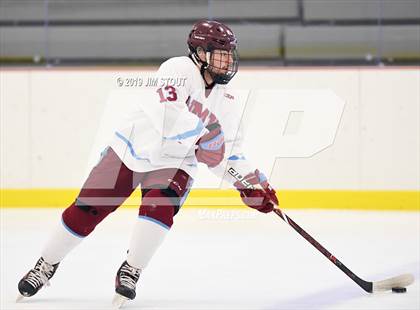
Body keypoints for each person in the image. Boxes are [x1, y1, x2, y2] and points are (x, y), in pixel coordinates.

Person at [17, 20, 279, 307]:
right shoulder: (177, 70)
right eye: (221, 52)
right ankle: (45, 264)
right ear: (201, 53)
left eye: (230, 53)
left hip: (175, 163)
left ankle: (131, 269)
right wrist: (206, 141)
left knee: (160, 208)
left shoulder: (226, 98)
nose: (228, 60)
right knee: (88, 208)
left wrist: (250, 184)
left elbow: (228, 151)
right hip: (131, 150)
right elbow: (169, 120)